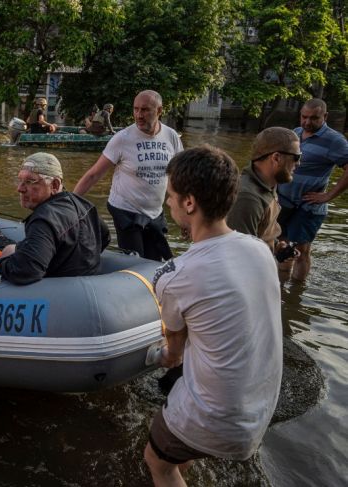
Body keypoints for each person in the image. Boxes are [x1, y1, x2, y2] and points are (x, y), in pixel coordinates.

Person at [143, 145, 282, 486]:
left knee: (156, 460)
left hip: (217, 417)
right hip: (260, 406)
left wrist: (160, 356)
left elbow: (173, 354)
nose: (168, 203)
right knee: (179, 449)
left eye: (171, 196)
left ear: (189, 203)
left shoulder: (174, 275)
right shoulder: (259, 250)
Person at [74, 90, 183, 261]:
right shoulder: (122, 139)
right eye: (136, 109)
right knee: (135, 262)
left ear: (159, 111)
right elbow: (94, 175)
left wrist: (187, 213)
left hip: (155, 212)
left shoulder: (171, 137)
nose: (139, 115)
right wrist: (70, 203)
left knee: (157, 262)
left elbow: (180, 177)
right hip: (126, 210)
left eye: (145, 110)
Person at [0, 152, 110, 284]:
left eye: (30, 181)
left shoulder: (44, 219)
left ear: (54, 185)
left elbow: (27, 270)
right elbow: (104, 237)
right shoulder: (83, 204)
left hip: (59, 292)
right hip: (88, 280)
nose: (20, 188)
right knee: (10, 249)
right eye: (20, 180)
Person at [277, 98, 348, 281]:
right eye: (304, 117)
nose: (307, 122)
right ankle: (282, 288)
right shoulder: (295, 133)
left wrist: (328, 196)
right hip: (283, 199)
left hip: (308, 205)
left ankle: (297, 292)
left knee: (302, 249)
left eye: (314, 118)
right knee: (282, 244)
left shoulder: (335, 140)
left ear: (325, 116)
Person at [226, 127, 301, 252]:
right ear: (276, 158)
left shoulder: (268, 185)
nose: (298, 163)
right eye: (296, 157)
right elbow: (239, 254)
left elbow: (261, 233)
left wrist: (276, 246)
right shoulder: (248, 198)